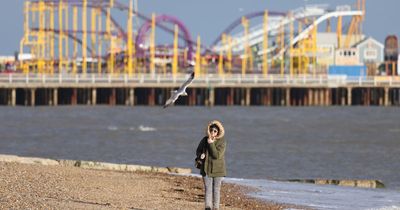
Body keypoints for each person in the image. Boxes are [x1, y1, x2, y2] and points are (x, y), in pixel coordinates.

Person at [196, 120, 226, 210]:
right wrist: (200, 155)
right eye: (211, 130)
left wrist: (211, 143)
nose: (213, 132)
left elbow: (216, 155)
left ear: (218, 132)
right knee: (208, 190)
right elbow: (198, 150)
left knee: (216, 190)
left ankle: (216, 208)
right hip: (206, 169)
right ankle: (208, 208)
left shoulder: (222, 141)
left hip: (218, 171)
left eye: (215, 131)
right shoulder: (204, 140)